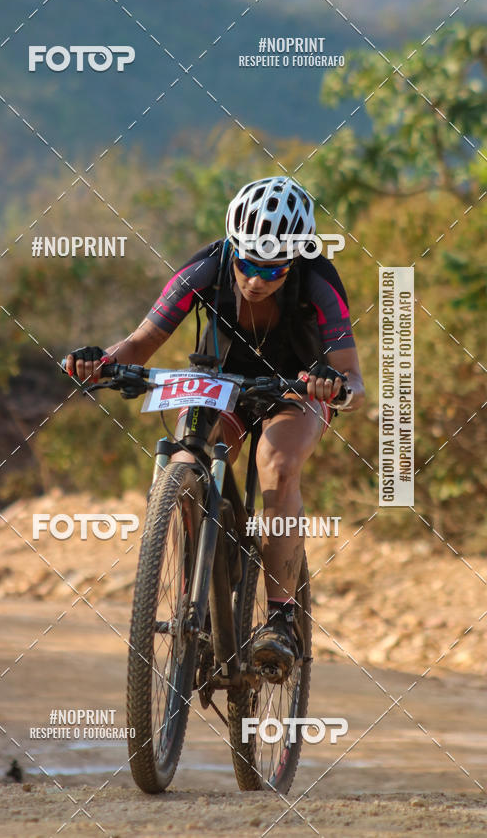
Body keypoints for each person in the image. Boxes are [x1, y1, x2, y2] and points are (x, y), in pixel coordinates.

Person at [65, 176, 365, 677]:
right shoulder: (204, 269)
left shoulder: (319, 282)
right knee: (187, 458)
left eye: (272, 269)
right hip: (219, 382)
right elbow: (140, 344)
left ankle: (280, 619)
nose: (255, 279)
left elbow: (354, 378)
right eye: (246, 262)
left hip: (296, 388)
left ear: (295, 259)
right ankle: (201, 576)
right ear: (232, 247)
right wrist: (101, 362)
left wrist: (336, 387)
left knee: (278, 464)